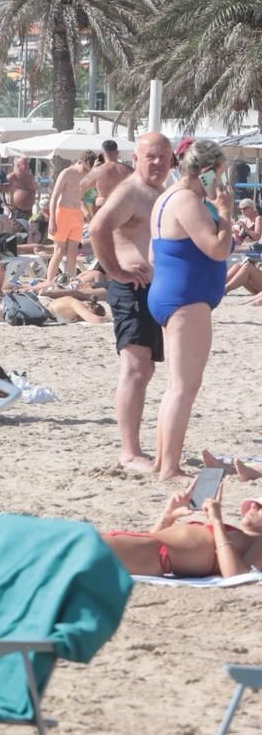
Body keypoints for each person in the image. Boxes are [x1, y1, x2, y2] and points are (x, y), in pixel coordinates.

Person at [147, 139, 233, 480]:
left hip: (173, 293)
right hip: (186, 298)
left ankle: (162, 460)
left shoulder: (168, 197)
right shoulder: (186, 200)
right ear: (207, 172)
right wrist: (224, 213)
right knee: (184, 386)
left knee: (176, 386)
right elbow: (216, 248)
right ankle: (169, 466)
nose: (222, 183)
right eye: (220, 174)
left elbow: (155, 255)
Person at [92, 132, 174, 472]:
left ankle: (142, 447)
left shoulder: (165, 193)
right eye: (150, 156)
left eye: (162, 157)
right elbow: (97, 228)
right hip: (132, 289)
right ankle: (129, 452)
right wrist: (115, 270)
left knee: (148, 369)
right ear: (136, 158)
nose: (156, 162)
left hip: (157, 291)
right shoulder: (130, 191)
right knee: (135, 368)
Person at [104, 483, 262, 579]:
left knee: (85, 545)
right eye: (254, 504)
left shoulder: (258, 542)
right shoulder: (237, 536)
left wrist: (216, 521)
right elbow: (155, 536)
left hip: (156, 555)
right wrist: (168, 516)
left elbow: (237, 575)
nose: (254, 507)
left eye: (260, 507)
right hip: (148, 546)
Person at [46, 151, 91, 282]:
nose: (85, 172)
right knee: (59, 251)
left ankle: (68, 283)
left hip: (77, 215)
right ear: (79, 161)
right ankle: (48, 283)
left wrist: (86, 213)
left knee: (73, 253)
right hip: (63, 213)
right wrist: (52, 220)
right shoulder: (67, 173)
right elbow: (54, 196)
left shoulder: (86, 175)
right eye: (84, 168)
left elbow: (81, 198)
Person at [86, 138, 135, 205]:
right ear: (118, 153)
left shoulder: (97, 170)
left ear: (103, 154)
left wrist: (92, 170)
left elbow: (82, 185)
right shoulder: (130, 170)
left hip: (103, 205)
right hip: (123, 205)